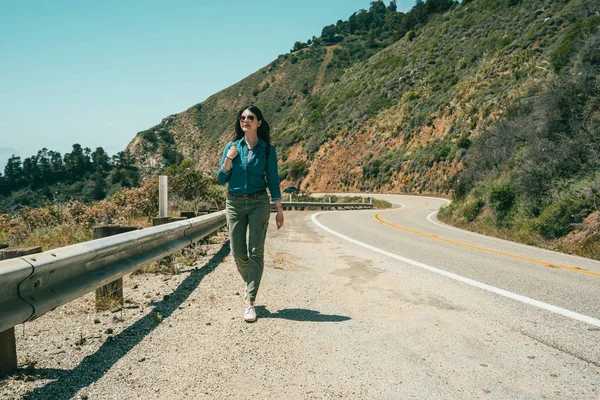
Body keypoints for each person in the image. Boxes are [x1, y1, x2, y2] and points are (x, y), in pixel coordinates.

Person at [217, 105, 284, 322]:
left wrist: (279, 209)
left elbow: (273, 180)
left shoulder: (267, 150)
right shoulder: (232, 146)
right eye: (242, 117)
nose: (245, 120)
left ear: (259, 123)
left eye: (250, 117)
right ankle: (252, 281)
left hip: (258, 203)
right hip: (234, 204)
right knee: (237, 253)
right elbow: (220, 178)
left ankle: (250, 302)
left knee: (256, 251)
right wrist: (228, 159)